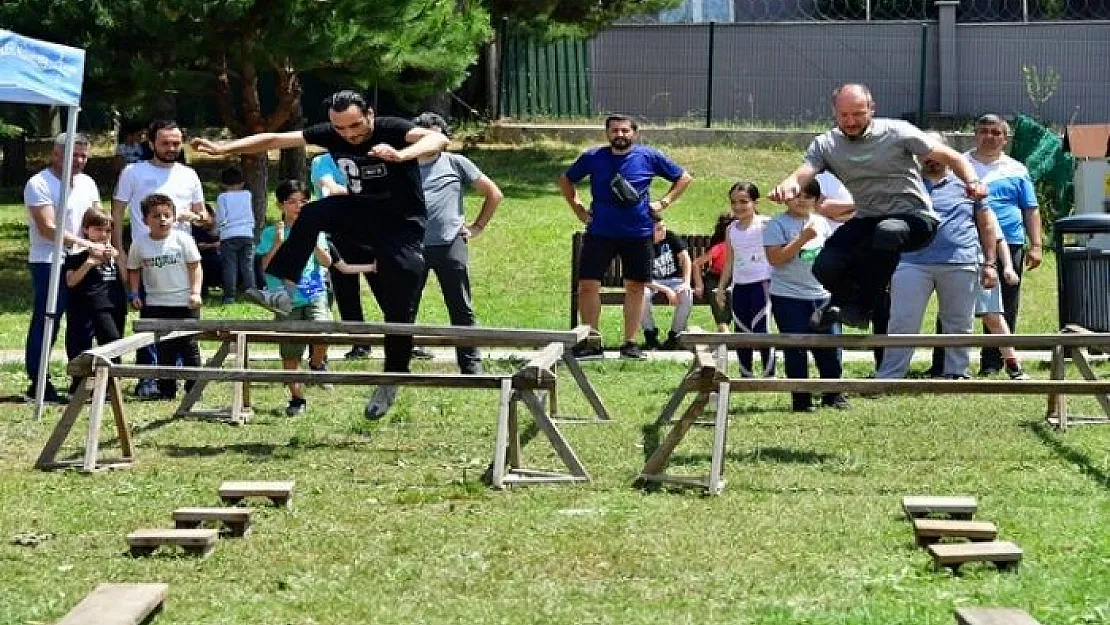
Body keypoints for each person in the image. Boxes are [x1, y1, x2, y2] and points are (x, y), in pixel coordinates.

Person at [191, 89, 450, 420]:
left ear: (370, 114)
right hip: (358, 214)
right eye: (340, 129)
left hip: (400, 227)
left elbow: (435, 140)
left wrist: (402, 154)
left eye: (356, 126)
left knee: (399, 302)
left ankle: (392, 376)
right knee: (311, 213)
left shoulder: (392, 128)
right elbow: (274, 139)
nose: (349, 135)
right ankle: (284, 290)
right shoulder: (331, 133)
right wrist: (226, 147)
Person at [770, 83, 987, 331]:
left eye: (858, 114)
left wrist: (972, 181)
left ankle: (864, 305)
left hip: (915, 219)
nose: (851, 121)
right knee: (824, 266)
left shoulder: (897, 132)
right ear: (835, 113)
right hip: (868, 218)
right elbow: (804, 172)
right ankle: (849, 304)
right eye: (844, 115)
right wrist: (789, 183)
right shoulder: (826, 144)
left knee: (889, 231)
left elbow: (952, 157)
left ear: (871, 109)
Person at [558, 114, 694, 360]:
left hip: (638, 233)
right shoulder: (593, 157)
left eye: (624, 131)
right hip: (600, 232)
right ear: (607, 133)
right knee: (587, 286)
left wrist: (664, 202)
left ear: (634, 133)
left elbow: (683, 177)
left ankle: (630, 343)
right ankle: (591, 340)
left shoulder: (649, 156)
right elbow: (566, 180)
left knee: (636, 287)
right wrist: (578, 209)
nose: (620, 135)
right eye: (614, 131)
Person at [877, 133, 999, 381]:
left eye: (936, 152)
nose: (931, 158)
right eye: (925, 154)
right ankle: (890, 376)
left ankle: (956, 374)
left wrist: (990, 263)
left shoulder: (969, 184)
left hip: (960, 261)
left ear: (947, 152)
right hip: (911, 262)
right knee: (902, 322)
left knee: (959, 323)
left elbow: (986, 226)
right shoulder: (905, 186)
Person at [113, 119, 207, 399]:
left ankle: (186, 380)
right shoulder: (133, 171)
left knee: (184, 330)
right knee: (150, 323)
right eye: (165, 143)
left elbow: (205, 217)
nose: (171, 148)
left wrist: (196, 217)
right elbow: (117, 213)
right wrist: (119, 251)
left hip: (181, 261)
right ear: (151, 143)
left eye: (176, 143)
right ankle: (148, 379)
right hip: (145, 259)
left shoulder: (189, 174)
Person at [410, 112, 503, 373]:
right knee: (405, 307)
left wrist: (477, 227)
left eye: (436, 135)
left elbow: (494, 193)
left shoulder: (456, 162)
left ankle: (471, 365)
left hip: (450, 244)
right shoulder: (402, 164)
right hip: (412, 246)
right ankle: (397, 365)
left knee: (460, 307)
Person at [23, 132, 108, 403]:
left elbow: (99, 217)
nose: (81, 160)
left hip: (84, 260)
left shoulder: (87, 183)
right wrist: (84, 242)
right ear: (56, 154)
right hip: (50, 260)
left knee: (82, 322)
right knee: (49, 319)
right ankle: (38, 382)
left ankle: (80, 380)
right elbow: (48, 228)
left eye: (84, 155)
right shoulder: (39, 184)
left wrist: (103, 244)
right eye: (75, 154)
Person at [965, 113, 1043, 376]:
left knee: (1004, 304)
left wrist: (1036, 245)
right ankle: (946, 362)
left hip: (1009, 242)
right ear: (975, 135)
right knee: (955, 301)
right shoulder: (960, 164)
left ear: (1005, 139)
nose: (989, 136)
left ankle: (993, 362)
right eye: (984, 131)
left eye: (996, 132)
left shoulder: (1017, 170)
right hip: (965, 241)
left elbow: (1031, 209)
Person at [763, 178, 847, 411]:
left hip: (822, 295)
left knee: (830, 346)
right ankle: (801, 400)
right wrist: (802, 239)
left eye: (808, 196)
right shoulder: (776, 225)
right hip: (788, 296)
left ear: (816, 200)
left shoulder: (822, 223)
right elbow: (775, 259)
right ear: (787, 197)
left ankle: (834, 395)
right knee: (796, 348)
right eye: (797, 195)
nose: (802, 200)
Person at [257, 181, 336, 416]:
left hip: (313, 290)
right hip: (284, 295)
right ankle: (297, 398)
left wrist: (310, 240)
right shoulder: (272, 232)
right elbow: (265, 267)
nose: (298, 206)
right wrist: (278, 244)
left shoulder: (315, 228)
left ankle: (316, 364)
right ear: (280, 204)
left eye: (303, 201)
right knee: (290, 351)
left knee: (324, 330)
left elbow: (327, 262)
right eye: (292, 201)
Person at [126, 193, 203, 400]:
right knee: (164, 347)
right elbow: (133, 269)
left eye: (167, 215)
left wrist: (195, 292)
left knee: (188, 346)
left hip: (184, 302)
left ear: (174, 217)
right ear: (145, 220)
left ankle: (194, 387)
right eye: (156, 216)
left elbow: (195, 266)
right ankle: (167, 388)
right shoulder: (139, 243)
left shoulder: (183, 240)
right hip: (155, 303)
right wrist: (134, 293)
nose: (162, 220)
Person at [310, 152, 372, 361]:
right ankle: (360, 343)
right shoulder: (321, 162)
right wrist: (364, 195)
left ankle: (402, 340)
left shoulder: (367, 157)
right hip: (336, 234)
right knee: (347, 294)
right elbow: (330, 188)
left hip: (370, 234)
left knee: (387, 291)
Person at [714, 182, 774, 376]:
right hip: (739, 286)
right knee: (741, 329)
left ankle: (768, 373)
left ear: (755, 202)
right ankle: (745, 374)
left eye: (744, 202)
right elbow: (729, 261)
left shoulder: (766, 224)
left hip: (762, 284)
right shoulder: (731, 229)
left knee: (761, 328)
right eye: (734, 202)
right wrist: (722, 288)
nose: (738, 206)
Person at [65, 208, 127, 395]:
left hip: (113, 305)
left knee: (113, 342)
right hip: (85, 307)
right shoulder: (78, 255)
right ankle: (78, 384)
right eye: (98, 230)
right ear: (86, 230)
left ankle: (110, 385)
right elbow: (71, 281)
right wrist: (90, 262)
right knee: (80, 346)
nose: (103, 235)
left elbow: (124, 277)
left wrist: (117, 257)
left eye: (107, 231)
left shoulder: (113, 255)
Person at [642, 215, 694, 351]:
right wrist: (667, 291)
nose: (663, 230)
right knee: (641, 296)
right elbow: (643, 279)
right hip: (651, 283)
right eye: (659, 229)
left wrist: (686, 282)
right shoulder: (642, 244)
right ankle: (650, 335)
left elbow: (686, 259)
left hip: (673, 280)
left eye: (664, 226)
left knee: (686, 294)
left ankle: (675, 336)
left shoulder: (670, 237)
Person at [214, 166, 256, 303]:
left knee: (230, 266)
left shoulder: (222, 197)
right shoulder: (247, 195)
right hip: (247, 233)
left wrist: (217, 229)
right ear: (242, 183)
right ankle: (252, 292)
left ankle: (229, 295)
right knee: (247, 265)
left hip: (229, 234)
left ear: (223, 184)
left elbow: (221, 217)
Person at [691, 213, 736, 333]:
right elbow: (696, 263)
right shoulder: (720, 247)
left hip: (735, 278)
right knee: (715, 294)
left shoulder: (744, 246)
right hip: (715, 277)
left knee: (734, 296)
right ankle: (723, 326)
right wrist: (699, 284)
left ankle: (727, 327)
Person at [192, 204, 223, 299]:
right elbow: (197, 246)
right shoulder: (196, 230)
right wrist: (213, 245)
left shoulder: (222, 226)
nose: (202, 222)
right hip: (205, 259)